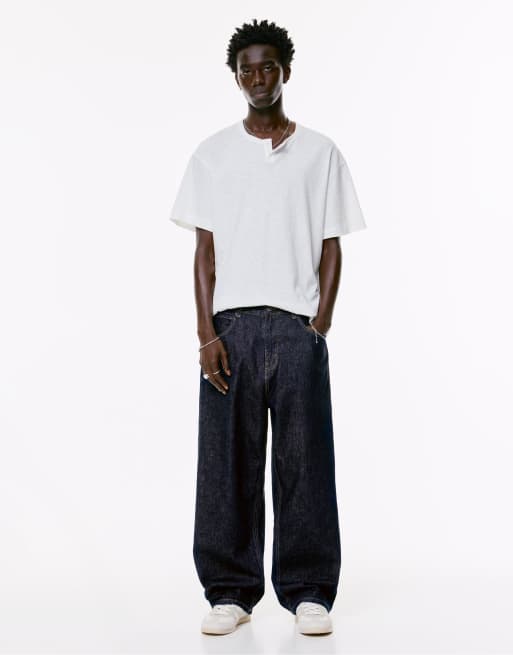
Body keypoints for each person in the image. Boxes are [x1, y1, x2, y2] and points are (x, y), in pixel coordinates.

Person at [169, 18, 367, 636]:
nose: (258, 78)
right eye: (246, 69)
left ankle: (309, 592)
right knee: (226, 463)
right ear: (236, 77)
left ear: (286, 71)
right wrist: (206, 334)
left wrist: (319, 325)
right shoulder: (212, 154)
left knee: (305, 461)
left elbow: (332, 244)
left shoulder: (321, 152)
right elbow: (203, 253)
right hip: (229, 328)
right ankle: (229, 591)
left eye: (268, 67)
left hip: (295, 327)